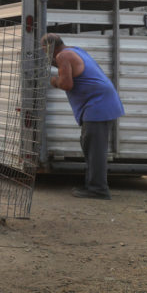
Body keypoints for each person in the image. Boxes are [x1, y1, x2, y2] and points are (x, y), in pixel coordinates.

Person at [42, 33, 124, 199]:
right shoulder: (75, 51)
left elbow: (66, 84)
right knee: (90, 146)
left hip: (98, 106)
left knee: (95, 150)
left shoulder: (62, 56)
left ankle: (97, 189)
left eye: (44, 51)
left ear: (50, 47)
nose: (45, 54)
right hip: (102, 103)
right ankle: (93, 185)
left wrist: (53, 81)